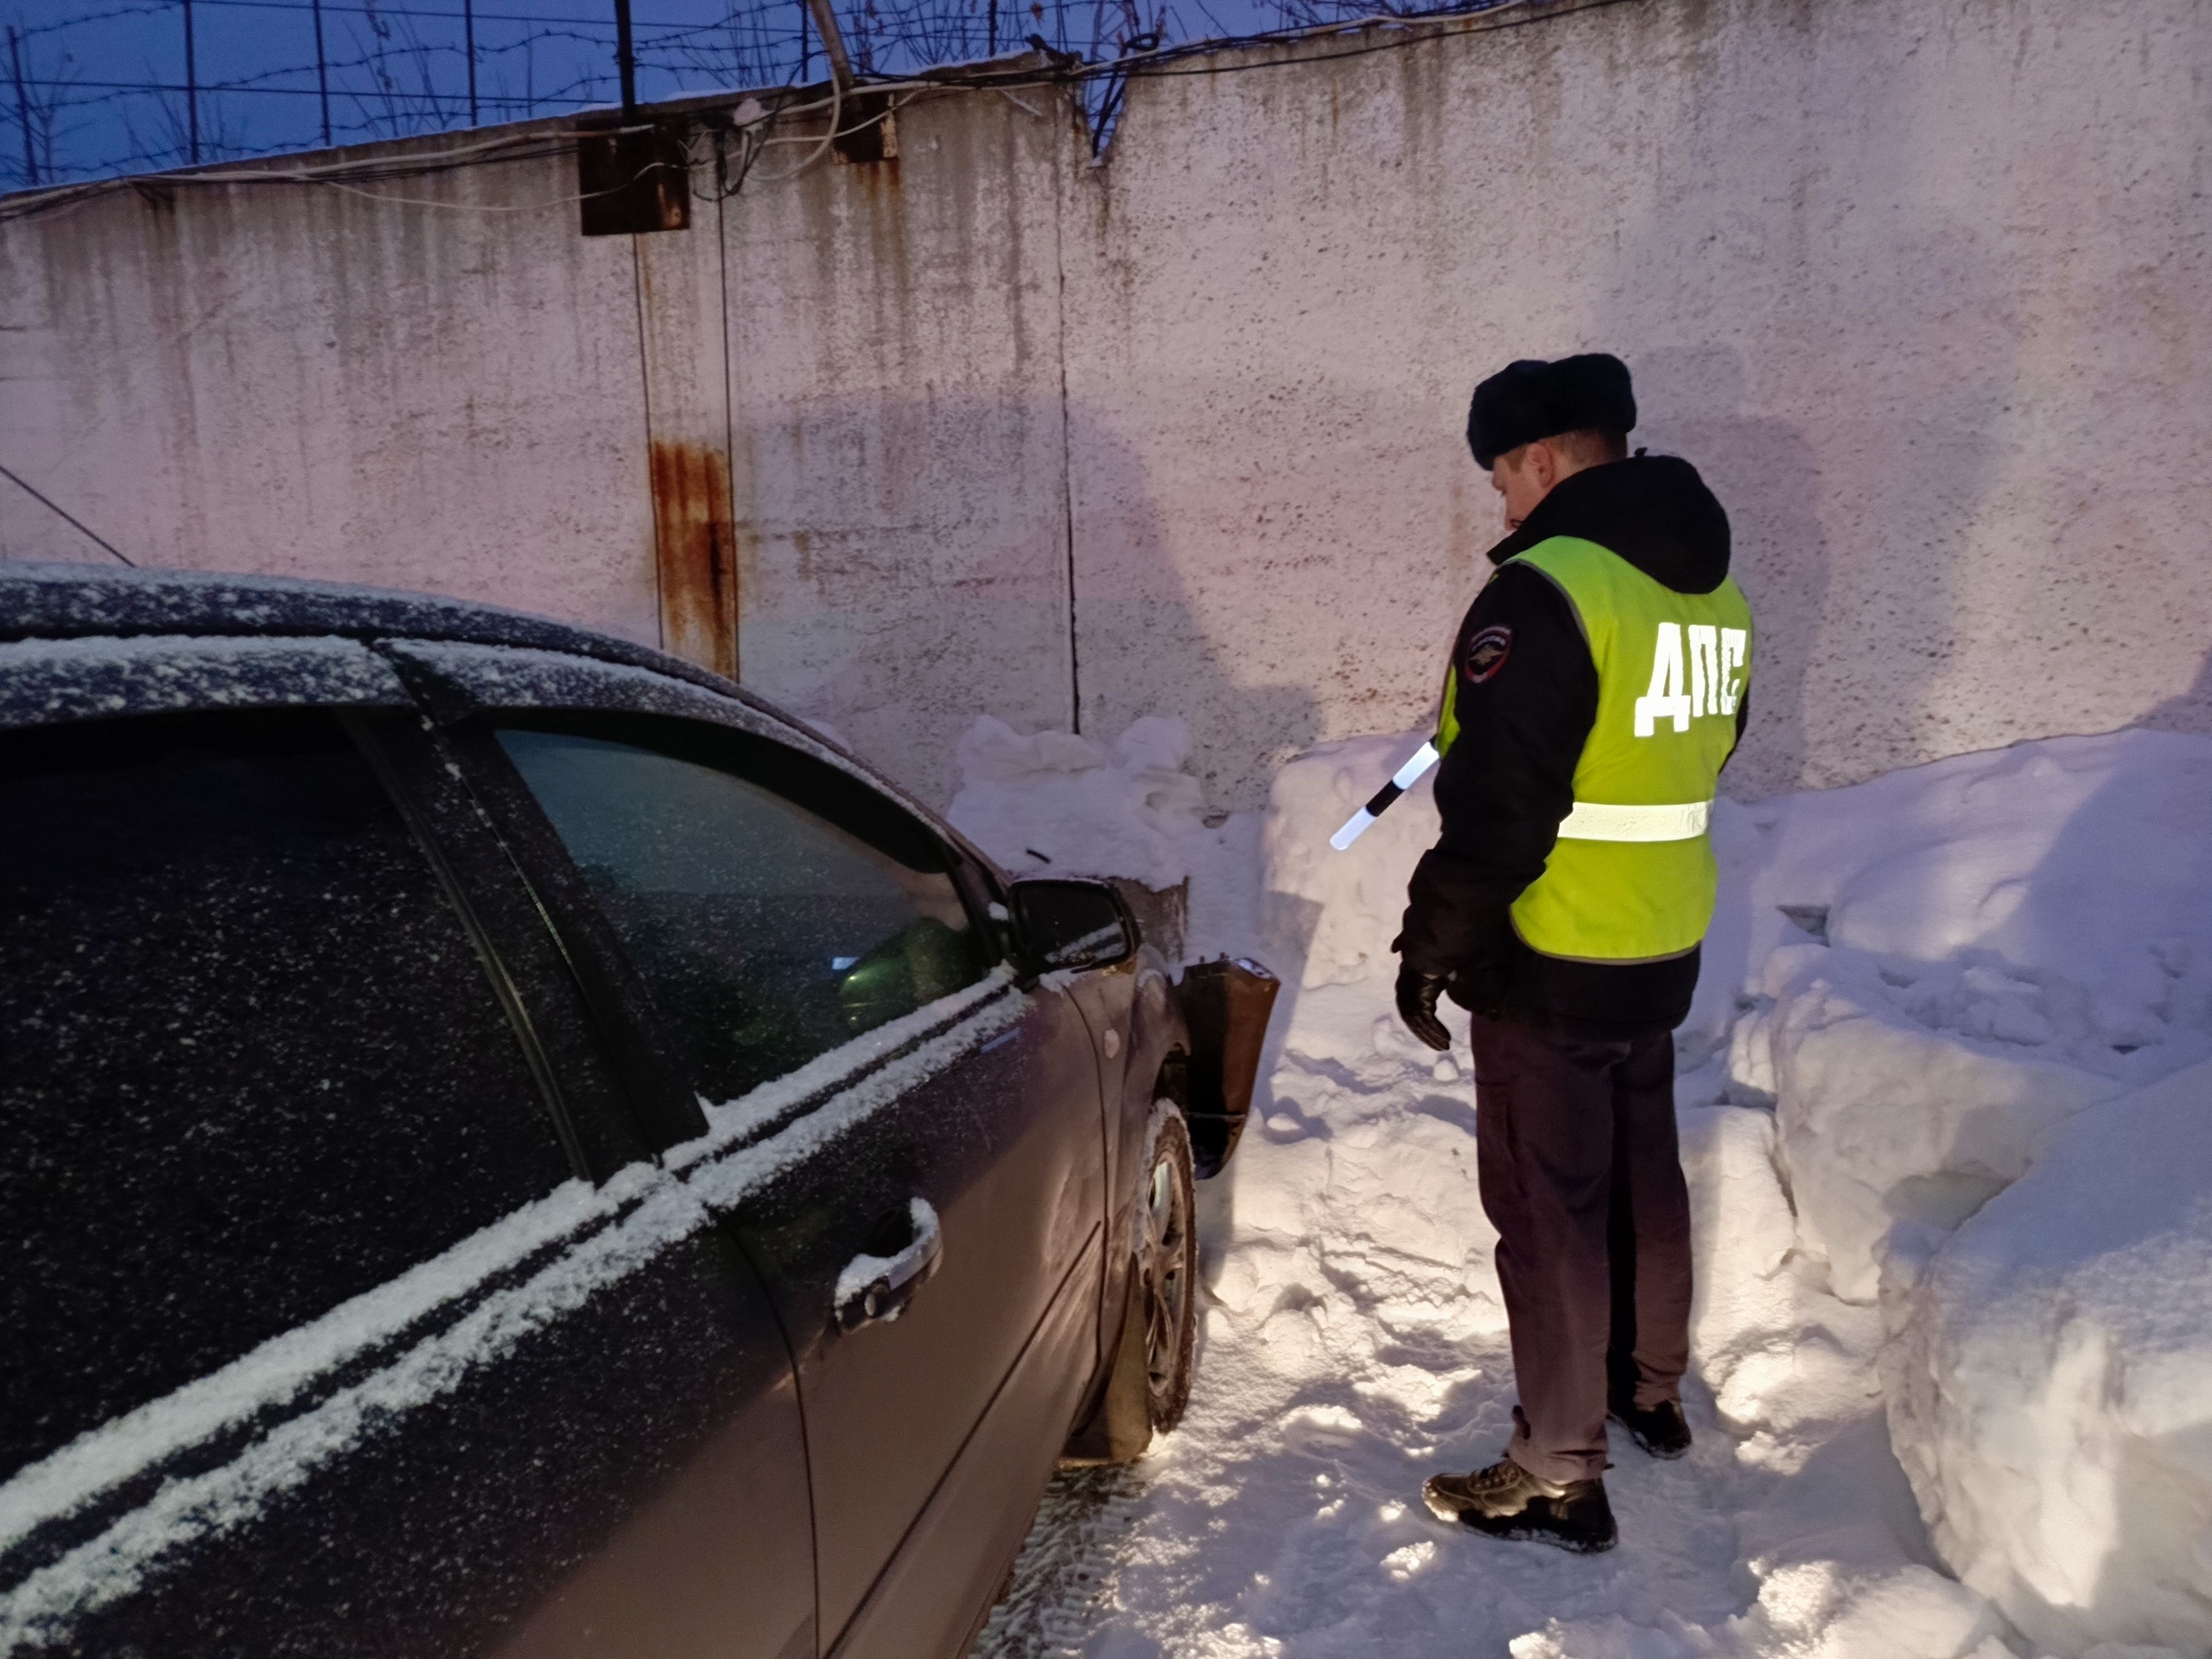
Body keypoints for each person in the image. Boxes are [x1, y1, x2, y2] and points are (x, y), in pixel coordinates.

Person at [1395, 353, 1752, 1554]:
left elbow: (1501, 807)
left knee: (1549, 1210)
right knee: (1644, 1180)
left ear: (1541, 460)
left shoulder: (1545, 589)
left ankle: (1556, 1472)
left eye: (1501, 475)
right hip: (1661, 936)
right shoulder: (1711, 593)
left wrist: (1432, 946)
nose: (1500, 501)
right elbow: (1706, 750)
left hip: (1552, 952)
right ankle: (1647, 1393)